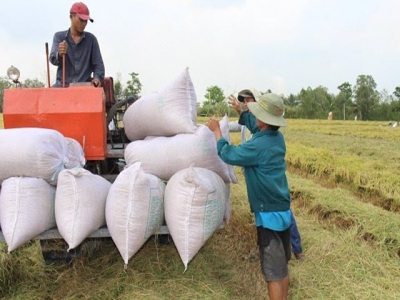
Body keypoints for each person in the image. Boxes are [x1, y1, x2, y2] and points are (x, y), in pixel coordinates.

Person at [207, 93, 291, 300]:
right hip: (283, 209)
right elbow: (257, 127)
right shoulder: (276, 138)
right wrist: (241, 111)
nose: (255, 117)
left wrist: (217, 132)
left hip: (268, 216)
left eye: (258, 114)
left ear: (264, 119)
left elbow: (229, 155)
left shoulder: (257, 146)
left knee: (272, 273)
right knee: (282, 267)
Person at [229, 88, 304, 261]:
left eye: (249, 100)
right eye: (244, 101)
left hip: (266, 179)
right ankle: (273, 252)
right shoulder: (260, 125)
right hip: (263, 173)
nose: (246, 103)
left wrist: (218, 136)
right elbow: (246, 124)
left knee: (279, 215)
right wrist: (239, 111)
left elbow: (233, 154)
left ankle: (291, 251)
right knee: (275, 215)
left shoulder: (263, 132)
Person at [49, 2, 105, 88]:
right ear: (71, 17)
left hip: (84, 88)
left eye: (86, 21)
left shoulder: (91, 40)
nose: (84, 23)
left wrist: (97, 78)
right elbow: (53, 58)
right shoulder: (59, 37)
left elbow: (98, 65)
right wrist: (59, 54)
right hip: (62, 87)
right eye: (81, 20)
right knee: (49, 97)